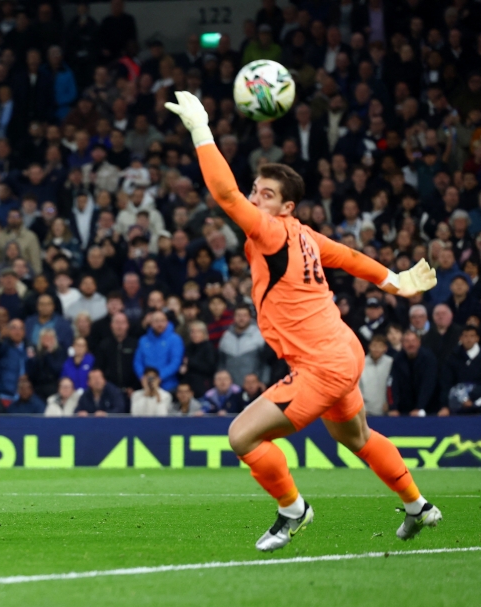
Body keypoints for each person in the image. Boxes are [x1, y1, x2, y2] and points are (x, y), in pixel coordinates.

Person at [166, 91, 441, 551]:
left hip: (322, 365)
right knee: (356, 436)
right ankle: (418, 505)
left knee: (241, 436)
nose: (256, 198)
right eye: (257, 189)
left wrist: (201, 129)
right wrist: (397, 281)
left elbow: (225, 194)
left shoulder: (272, 232)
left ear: (287, 208)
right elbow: (350, 256)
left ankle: (294, 509)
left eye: (267, 195)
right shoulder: (306, 236)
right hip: (343, 350)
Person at [389, 331, 440, 416]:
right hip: (404, 409)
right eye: (407, 341)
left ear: (419, 342)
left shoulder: (428, 358)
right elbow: (392, 384)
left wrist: (419, 407)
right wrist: (393, 407)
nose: (410, 344)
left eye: (413, 341)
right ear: (402, 343)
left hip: (429, 408)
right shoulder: (398, 359)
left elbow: (428, 384)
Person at [133, 310, 184, 391]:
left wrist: (158, 377)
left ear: (167, 322)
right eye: (156, 321)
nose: (159, 324)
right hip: (147, 385)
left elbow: (175, 363)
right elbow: (138, 362)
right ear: (151, 323)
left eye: (162, 321)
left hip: (169, 386)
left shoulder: (175, 339)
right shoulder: (143, 340)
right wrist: (142, 377)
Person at [439, 325, 481, 414]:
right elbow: (446, 383)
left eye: (472, 336)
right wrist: (445, 406)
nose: (468, 339)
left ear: (477, 338)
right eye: (465, 336)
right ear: (460, 338)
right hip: (457, 405)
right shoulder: (452, 358)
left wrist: (471, 398)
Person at [359, 335, 393, 416]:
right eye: (374, 346)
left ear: (385, 348)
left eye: (380, 346)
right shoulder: (361, 362)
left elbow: (393, 386)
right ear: (369, 346)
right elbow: (357, 386)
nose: (376, 349)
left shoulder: (391, 363)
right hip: (366, 410)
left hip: (385, 409)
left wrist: (391, 405)